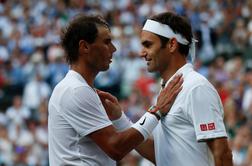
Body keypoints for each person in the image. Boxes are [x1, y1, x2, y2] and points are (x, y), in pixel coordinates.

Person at [48, 14, 183, 165]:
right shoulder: (76, 90)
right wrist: (156, 111)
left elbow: (152, 154)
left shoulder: (77, 88)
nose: (113, 49)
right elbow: (116, 148)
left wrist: (120, 118)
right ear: (84, 47)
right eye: (107, 42)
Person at [101, 12, 233, 166]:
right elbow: (160, 156)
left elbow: (222, 153)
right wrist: (120, 119)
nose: (141, 53)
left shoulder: (196, 87)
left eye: (148, 45)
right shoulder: (166, 90)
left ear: (172, 45)